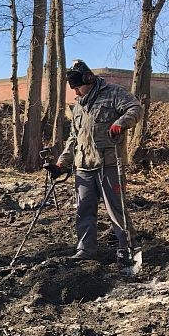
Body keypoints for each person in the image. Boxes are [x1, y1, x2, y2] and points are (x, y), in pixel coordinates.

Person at [46, 59, 143, 266]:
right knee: (84, 210)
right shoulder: (78, 106)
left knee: (116, 209)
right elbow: (74, 138)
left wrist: (120, 123)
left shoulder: (113, 93)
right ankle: (85, 250)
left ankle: (128, 249)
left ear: (89, 80)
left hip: (108, 163)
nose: (76, 92)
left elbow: (135, 108)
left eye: (78, 87)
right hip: (83, 167)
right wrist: (62, 164)